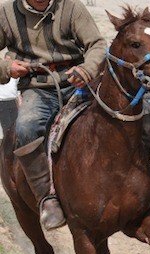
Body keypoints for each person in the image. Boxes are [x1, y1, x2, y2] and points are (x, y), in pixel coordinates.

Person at [0, 0, 107, 230]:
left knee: (116, 116)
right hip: (37, 88)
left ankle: (137, 188)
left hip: (78, 82)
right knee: (25, 128)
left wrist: (87, 69)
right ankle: (46, 198)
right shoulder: (7, 14)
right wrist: (7, 68)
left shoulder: (71, 7)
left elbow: (97, 44)